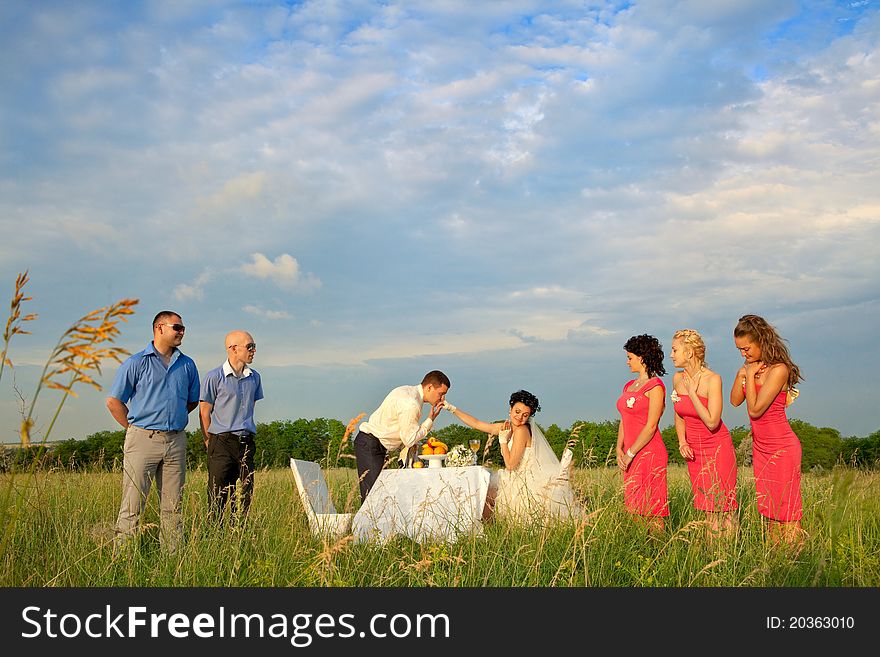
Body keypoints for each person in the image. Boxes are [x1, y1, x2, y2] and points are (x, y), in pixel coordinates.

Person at [106, 311, 199, 552]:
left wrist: (172, 418)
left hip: (176, 440)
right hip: (142, 439)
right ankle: (123, 559)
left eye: (183, 327)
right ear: (159, 328)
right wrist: (134, 429)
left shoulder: (187, 364)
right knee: (133, 505)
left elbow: (191, 401)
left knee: (173, 506)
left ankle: (173, 560)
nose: (182, 332)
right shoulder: (136, 362)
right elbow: (114, 401)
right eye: (177, 327)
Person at [443, 390, 580, 523]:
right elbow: (477, 424)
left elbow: (510, 465)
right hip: (512, 476)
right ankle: (486, 530)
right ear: (510, 408)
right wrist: (451, 408)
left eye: (525, 415)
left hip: (522, 479)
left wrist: (503, 441)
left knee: (485, 491)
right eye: (517, 412)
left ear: (529, 416)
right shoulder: (507, 426)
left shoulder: (521, 430)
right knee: (483, 487)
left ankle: (487, 531)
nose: (520, 417)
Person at [730, 314, 804, 545]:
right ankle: (776, 561)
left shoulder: (779, 370)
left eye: (747, 348)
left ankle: (795, 563)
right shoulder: (751, 369)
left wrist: (750, 375)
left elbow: (755, 410)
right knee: (770, 509)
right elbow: (734, 401)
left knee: (787, 509)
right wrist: (742, 373)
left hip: (782, 447)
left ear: (761, 340)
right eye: (740, 350)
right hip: (761, 448)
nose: (744, 354)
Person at [670, 329, 738, 538]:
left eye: (675, 350)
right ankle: (712, 555)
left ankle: (728, 554)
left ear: (689, 352)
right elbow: (679, 413)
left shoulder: (713, 380)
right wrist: (682, 441)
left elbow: (711, 421)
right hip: (695, 452)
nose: (671, 355)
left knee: (724, 507)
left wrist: (691, 392)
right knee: (707, 507)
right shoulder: (677, 379)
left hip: (717, 448)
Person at [354, 370, 450, 502]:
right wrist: (430, 420)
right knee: (372, 499)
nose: (442, 399)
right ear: (429, 387)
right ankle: (363, 523)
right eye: (441, 394)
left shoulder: (406, 390)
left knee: (380, 498)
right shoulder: (412, 403)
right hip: (370, 445)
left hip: (374, 445)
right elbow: (409, 440)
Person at [199, 330, 263, 521]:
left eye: (254, 346)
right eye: (249, 346)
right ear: (233, 349)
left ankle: (239, 539)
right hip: (221, 442)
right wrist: (210, 442)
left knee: (244, 496)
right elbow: (204, 412)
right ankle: (214, 539)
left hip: (246, 443)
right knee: (218, 497)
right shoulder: (214, 377)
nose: (254, 350)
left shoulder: (255, 377)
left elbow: (250, 408)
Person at [616, 334, 668, 530]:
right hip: (629, 453)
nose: (627, 362)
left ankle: (658, 551)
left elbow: (651, 426)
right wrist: (619, 447)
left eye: (630, 357)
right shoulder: (629, 386)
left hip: (648, 453)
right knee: (634, 507)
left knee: (652, 508)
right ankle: (641, 550)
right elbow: (624, 418)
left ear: (642, 357)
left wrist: (631, 453)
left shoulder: (655, 387)